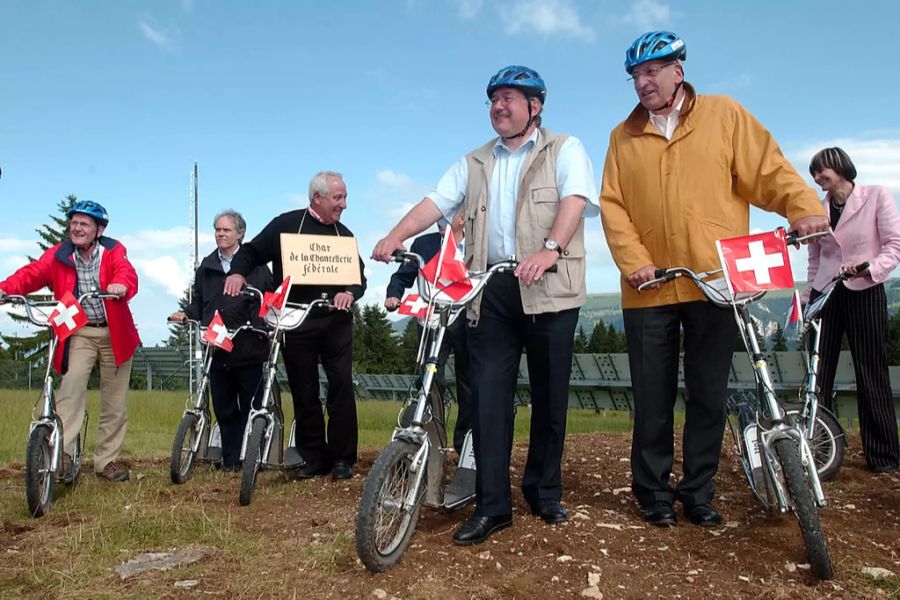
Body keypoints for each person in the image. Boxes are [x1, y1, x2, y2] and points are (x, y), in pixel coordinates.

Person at [600, 31, 829, 528]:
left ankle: (698, 491)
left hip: (715, 282)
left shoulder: (724, 115)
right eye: (636, 75)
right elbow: (612, 206)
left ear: (677, 71)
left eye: (652, 71)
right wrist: (634, 260)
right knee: (653, 399)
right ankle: (653, 493)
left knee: (708, 393)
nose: (643, 82)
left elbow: (768, 171)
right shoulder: (623, 137)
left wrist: (804, 207)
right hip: (648, 288)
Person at [373, 65, 600, 545]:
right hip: (491, 289)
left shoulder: (566, 148)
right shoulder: (474, 162)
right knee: (489, 399)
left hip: (549, 283)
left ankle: (544, 490)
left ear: (535, 106)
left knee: (549, 395)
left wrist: (550, 249)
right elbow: (437, 202)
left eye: (511, 98)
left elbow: (574, 201)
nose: (499, 105)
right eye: (494, 98)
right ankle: (493, 506)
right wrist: (396, 235)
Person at [223, 172, 366, 481]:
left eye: (344, 197)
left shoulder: (345, 236)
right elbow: (250, 251)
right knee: (304, 389)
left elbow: (359, 277)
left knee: (341, 386)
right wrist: (237, 273)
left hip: (335, 320)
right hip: (295, 319)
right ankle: (314, 456)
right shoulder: (286, 225)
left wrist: (349, 292)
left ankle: (343, 458)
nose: (344, 204)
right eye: (338, 198)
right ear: (317, 198)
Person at [0, 200, 140, 482]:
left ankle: (106, 462)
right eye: (74, 223)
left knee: (114, 400)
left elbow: (127, 274)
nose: (77, 228)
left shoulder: (113, 251)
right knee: (71, 387)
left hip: (115, 332)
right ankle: (60, 454)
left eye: (84, 224)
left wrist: (120, 286)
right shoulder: (59, 254)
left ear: (98, 230)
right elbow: (31, 274)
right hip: (81, 331)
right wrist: (4, 289)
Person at [803, 147, 900, 473]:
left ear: (841, 167)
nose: (817, 177)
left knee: (871, 372)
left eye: (821, 170)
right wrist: (808, 298)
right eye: (814, 172)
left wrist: (869, 267)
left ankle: (884, 456)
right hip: (826, 294)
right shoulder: (817, 210)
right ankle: (818, 451)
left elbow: (895, 245)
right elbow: (815, 258)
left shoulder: (877, 196)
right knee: (818, 374)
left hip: (865, 291)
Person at [169, 210, 273, 471]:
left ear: (240, 233)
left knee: (251, 407)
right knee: (225, 409)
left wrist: (267, 325)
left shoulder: (257, 267)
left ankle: (252, 462)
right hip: (216, 348)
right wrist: (187, 314)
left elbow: (268, 301)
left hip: (249, 347)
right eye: (217, 229)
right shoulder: (206, 267)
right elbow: (200, 302)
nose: (220, 234)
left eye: (226, 230)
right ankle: (230, 461)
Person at [384, 210, 472, 454]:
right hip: (432, 318)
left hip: (465, 317)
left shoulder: (476, 244)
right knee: (430, 377)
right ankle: (430, 436)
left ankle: (466, 441)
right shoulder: (423, 244)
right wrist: (394, 293)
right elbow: (405, 273)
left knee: (469, 381)